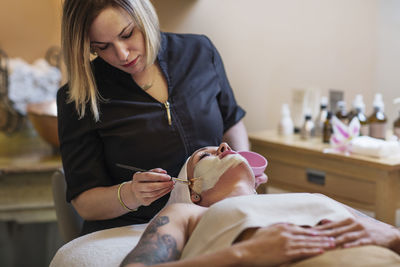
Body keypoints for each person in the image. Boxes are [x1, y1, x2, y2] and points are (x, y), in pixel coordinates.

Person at [58, 0, 265, 235]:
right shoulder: (77, 97)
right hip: (132, 230)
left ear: (144, 16)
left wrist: (244, 171)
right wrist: (132, 194)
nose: (123, 54)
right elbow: (85, 203)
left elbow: (231, 122)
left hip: (213, 221)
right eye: (102, 47)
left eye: (127, 34)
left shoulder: (200, 52)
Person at [120, 143, 400, 267]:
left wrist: (393, 235)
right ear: (194, 192)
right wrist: (245, 254)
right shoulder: (185, 214)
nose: (224, 146)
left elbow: (387, 232)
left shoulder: (313, 199)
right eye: (204, 155)